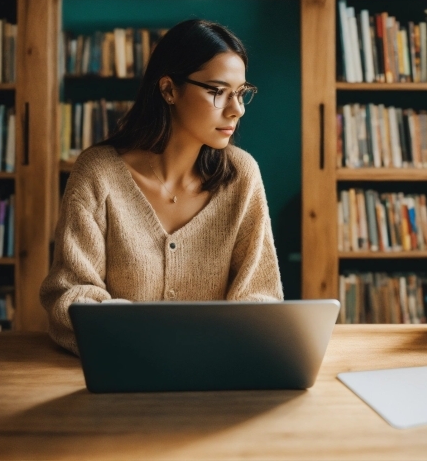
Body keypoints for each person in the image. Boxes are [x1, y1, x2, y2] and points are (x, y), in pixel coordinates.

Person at [40, 19, 283, 355]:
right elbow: (70, 293)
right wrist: (142, 338)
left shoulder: (242, 176)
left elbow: (261, 295)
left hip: (216, 376)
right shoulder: (99, 173)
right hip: (119, 375)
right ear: (169, 89)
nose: (236, 110)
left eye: (241, 93)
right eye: (217, 91)